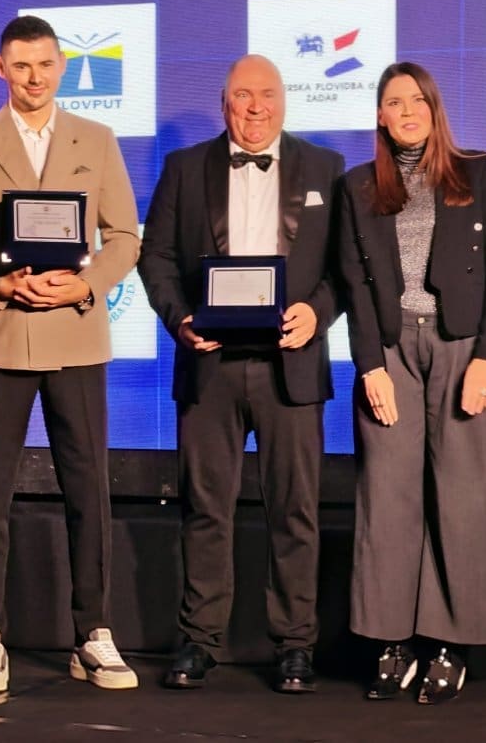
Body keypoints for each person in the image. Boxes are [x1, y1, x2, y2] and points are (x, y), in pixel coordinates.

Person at [0, 16, 141, 693]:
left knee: (88, 492)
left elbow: (125, 236)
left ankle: (93, 633)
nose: (34, 77)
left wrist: (88, 284)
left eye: (45, 64)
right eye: (21, 66)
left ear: (63, 66)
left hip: (76, 334)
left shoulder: (96, 140)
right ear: (0, 68)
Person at [137, 54, 344, 693]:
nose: (255, 108)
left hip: (292, 366)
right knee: (205, 509)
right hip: (210, 364)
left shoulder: (326, 168)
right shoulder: (184, 168)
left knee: (295, 511)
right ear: (224, 102)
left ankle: (295, 645)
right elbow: (155, 257)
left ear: (285, 100)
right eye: (242, 96)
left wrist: (318, 312)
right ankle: (200, 640)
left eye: (267, 95)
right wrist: (180, 319)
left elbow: (346, 266)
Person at [337, 61, 486, 705]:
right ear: (380, 115)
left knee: (464, 496)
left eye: (417, 100)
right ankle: (391, 642)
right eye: (395, 102)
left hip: (462, 346)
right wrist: (369, 365)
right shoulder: (357, 185)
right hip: (392, 349)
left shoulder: (479, 172)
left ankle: (451, 644)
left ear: (434, 108)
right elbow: (354, 283)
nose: (407, 112)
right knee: (387, 499)